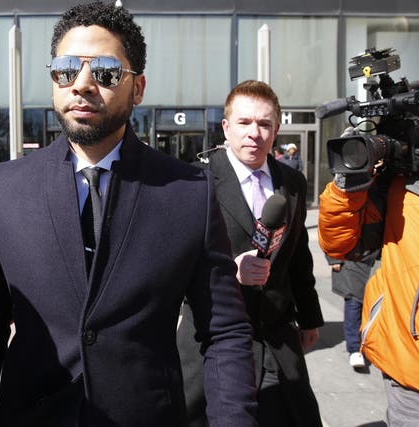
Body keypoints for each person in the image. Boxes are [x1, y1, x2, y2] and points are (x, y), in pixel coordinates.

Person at [0, 3, 257, 426]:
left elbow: (223, 331)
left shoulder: (190, 192)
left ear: (138, 87)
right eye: (66, 70)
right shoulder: (3, 188)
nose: (83, 85)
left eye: (107, 72)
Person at [178, 80, 324, 427]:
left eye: (264, 124)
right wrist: (229, 271)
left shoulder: (292, 182)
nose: (254, 133)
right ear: (226, 127)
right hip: (211, 341)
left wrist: (309, 316)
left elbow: (298, 254)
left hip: (276, 338)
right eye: (244, 123)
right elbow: (173, 267)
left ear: (276, 129)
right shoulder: (196, 182)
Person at [318, 143, 419, 426]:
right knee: (353, 302)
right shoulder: (398, 185)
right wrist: (350, 182)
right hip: (410, 367)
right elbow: (340, 244)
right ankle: (353, 348)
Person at [325, 251, 379, 369]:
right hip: (352, 261)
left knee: (376, 306)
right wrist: (334, 258)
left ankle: (373, 344)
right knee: (354, 304)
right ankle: (355, 349)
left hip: (377, 260)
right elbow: (334, 232)